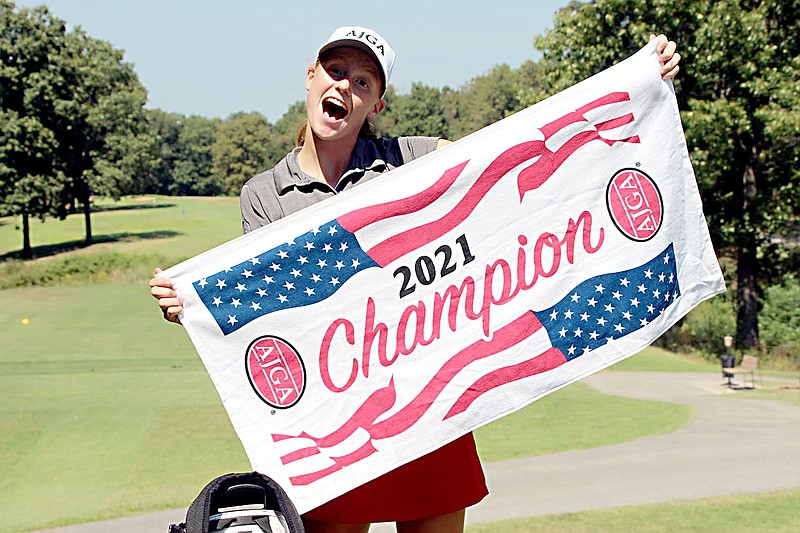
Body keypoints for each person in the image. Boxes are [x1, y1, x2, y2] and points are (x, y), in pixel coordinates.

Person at [151, 26, 681, 533]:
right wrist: (190, 303)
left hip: (430, 406)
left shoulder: (411, 158)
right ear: (310, 76)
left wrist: (635, 86)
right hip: (338, 422)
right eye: (336, 71)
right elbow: (260, 304)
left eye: (364, 83)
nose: (346, 87)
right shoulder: (264, 194)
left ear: (376, 105)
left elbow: (511, 152)